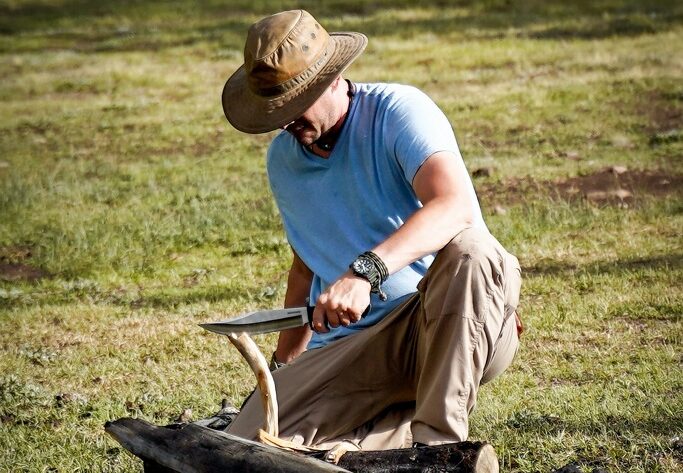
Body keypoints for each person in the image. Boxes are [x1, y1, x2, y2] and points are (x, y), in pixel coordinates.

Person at [221, 9, 522, 450]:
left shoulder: (399, 111)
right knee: (249, 444)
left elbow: (455, 206)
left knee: (474, 251)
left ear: (331, 78)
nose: (287, 122)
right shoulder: (283, 162)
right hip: (359, 349)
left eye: (295, 104)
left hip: (450, 324)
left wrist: (364, 274)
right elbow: (306, 265)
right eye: (276, 112)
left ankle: (438, 451)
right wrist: (286, 366)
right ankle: (376, 440)